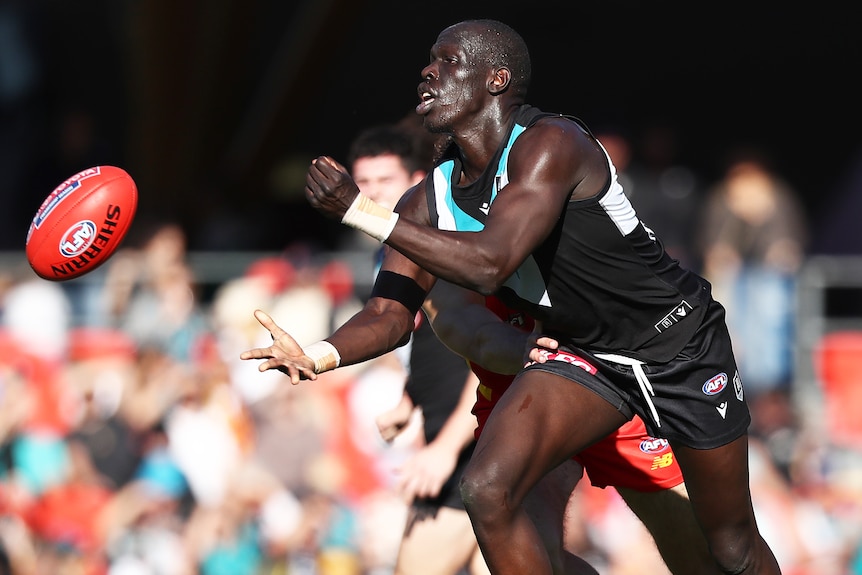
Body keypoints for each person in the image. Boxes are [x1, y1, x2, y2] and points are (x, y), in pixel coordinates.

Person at [244, 19, 781, 575]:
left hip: (679, 344)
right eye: (428, 60)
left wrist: (361, 212)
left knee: (729, 547)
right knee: (487, 488)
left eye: (448, 60)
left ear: (497, 79)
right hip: (585, 357)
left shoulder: (554, 143)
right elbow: (389, 313)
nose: (428, 71)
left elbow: (491, 261)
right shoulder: (426, 199)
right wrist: (320, 354)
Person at [348, 123, 489, 575]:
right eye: (362, 184)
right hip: (455, 442)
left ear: (416, 184)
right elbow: (439, 344)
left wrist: (445, 449)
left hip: (479, 449)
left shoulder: (445, 249)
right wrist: (409, 401)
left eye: (384, 182)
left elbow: (490, 358)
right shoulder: (389, 256)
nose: (371, 195)